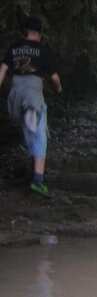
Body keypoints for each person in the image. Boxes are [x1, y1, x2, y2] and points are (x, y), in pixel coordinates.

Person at [0, 15, 62, 197]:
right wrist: (59, 89)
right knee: (40, 131)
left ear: (25, 32)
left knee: (26, 124)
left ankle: (29, 123)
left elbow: (2, 70)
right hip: (33, 91)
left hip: (15, 92)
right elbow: (54, 77)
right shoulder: (42, 50)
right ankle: (38, 179)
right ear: (39, 35)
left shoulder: (14, 47)